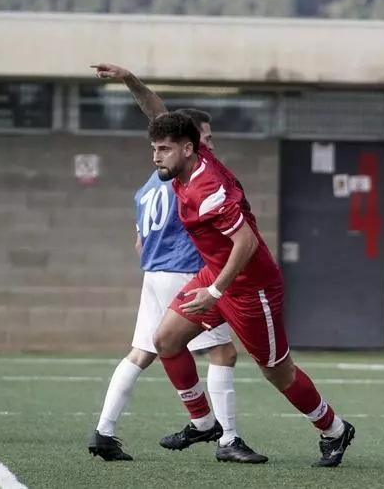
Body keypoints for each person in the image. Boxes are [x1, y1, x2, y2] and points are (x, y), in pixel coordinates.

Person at [147, 111, 356, 467]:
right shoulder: (190, 161)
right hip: (217, 276)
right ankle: (204, 423)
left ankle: (334, 430)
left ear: (187, 149)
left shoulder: (207, 188)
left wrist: (214, 292)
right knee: (166, 340)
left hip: (251, 288)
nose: (156, 156)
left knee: (277, 371)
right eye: (154, 148)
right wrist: (132, 84)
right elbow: (158, 111)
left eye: (163, 149)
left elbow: (247, 243)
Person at [86, 64, 265, 464]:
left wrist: (129, 80)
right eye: (206, 138)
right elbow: (157, 111)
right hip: (185, 272)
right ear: (188, 144)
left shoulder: (146, 188)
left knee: (141, 353)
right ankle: (226, 437)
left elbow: (139, 242)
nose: (210, 145)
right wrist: (132, 81)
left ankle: (104, 431)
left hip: (153, 274)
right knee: (223, 353)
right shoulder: (188, 177)